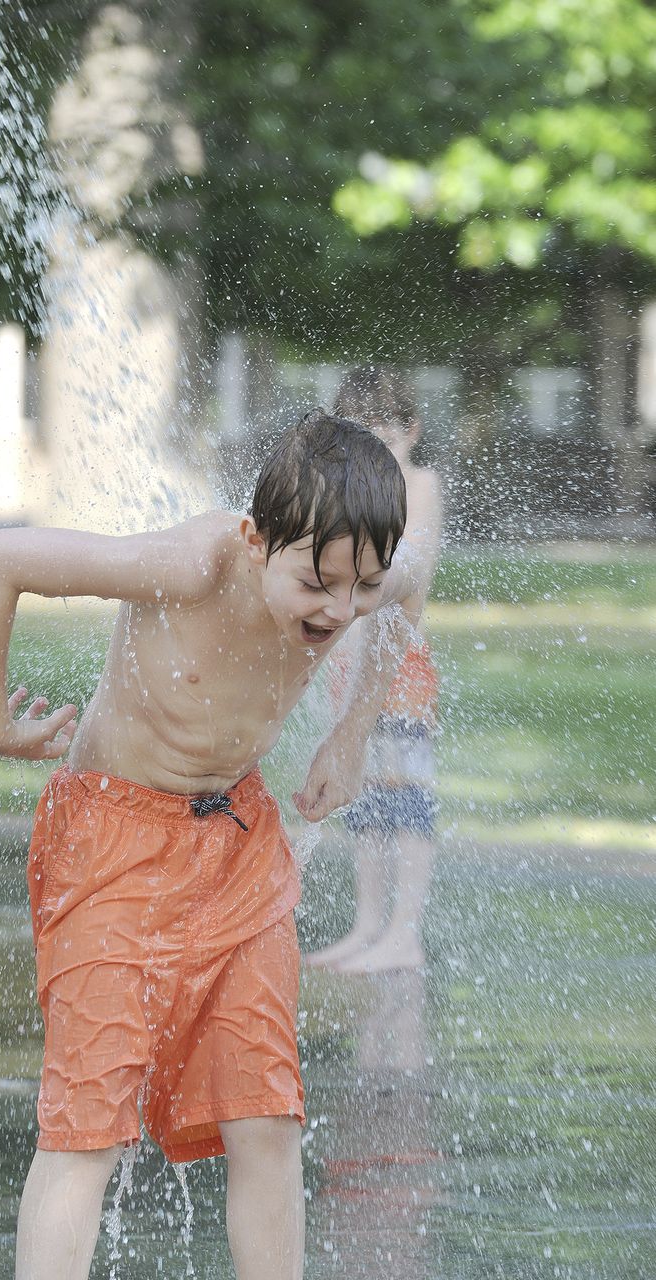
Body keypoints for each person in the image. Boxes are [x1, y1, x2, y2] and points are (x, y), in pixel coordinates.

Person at [0, 408, 423, 1280]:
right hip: (111, 842)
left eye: (361, 586)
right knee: (85, 1128)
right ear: (257, 540)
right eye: (319, 583)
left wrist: (353, 734)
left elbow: (409, 596)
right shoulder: (193, 563)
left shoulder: (362, 579)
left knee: (266, 1115)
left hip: (238, 845)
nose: (340, 609)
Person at [304, 367, 443, 976]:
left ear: (410, 431)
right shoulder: (350, 494)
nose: (373, 447)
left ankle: (403, 933)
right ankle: (367, 927)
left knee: (405, 795)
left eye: (383, 433)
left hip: (401, 664)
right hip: (346, 659)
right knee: (359, 798)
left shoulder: (420, 485)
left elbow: (412, 575)